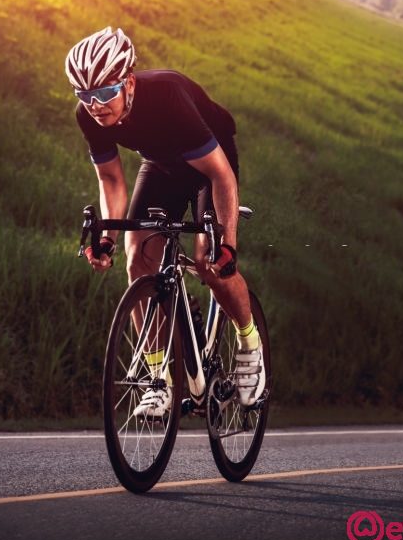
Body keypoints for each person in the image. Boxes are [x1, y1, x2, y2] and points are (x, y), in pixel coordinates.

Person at [66, 26, 263, 417]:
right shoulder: (88, 115)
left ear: (129, 82)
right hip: (162, 164)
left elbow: (221, 176)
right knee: (137, 256)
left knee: (211, 263)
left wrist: (229, 245)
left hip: (210, 162)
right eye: (85, 95)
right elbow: (111, 179)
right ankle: (158, 381)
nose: (95, 105)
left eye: (105, 93)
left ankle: (249, 344)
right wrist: (105, 236)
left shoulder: (169, 97)